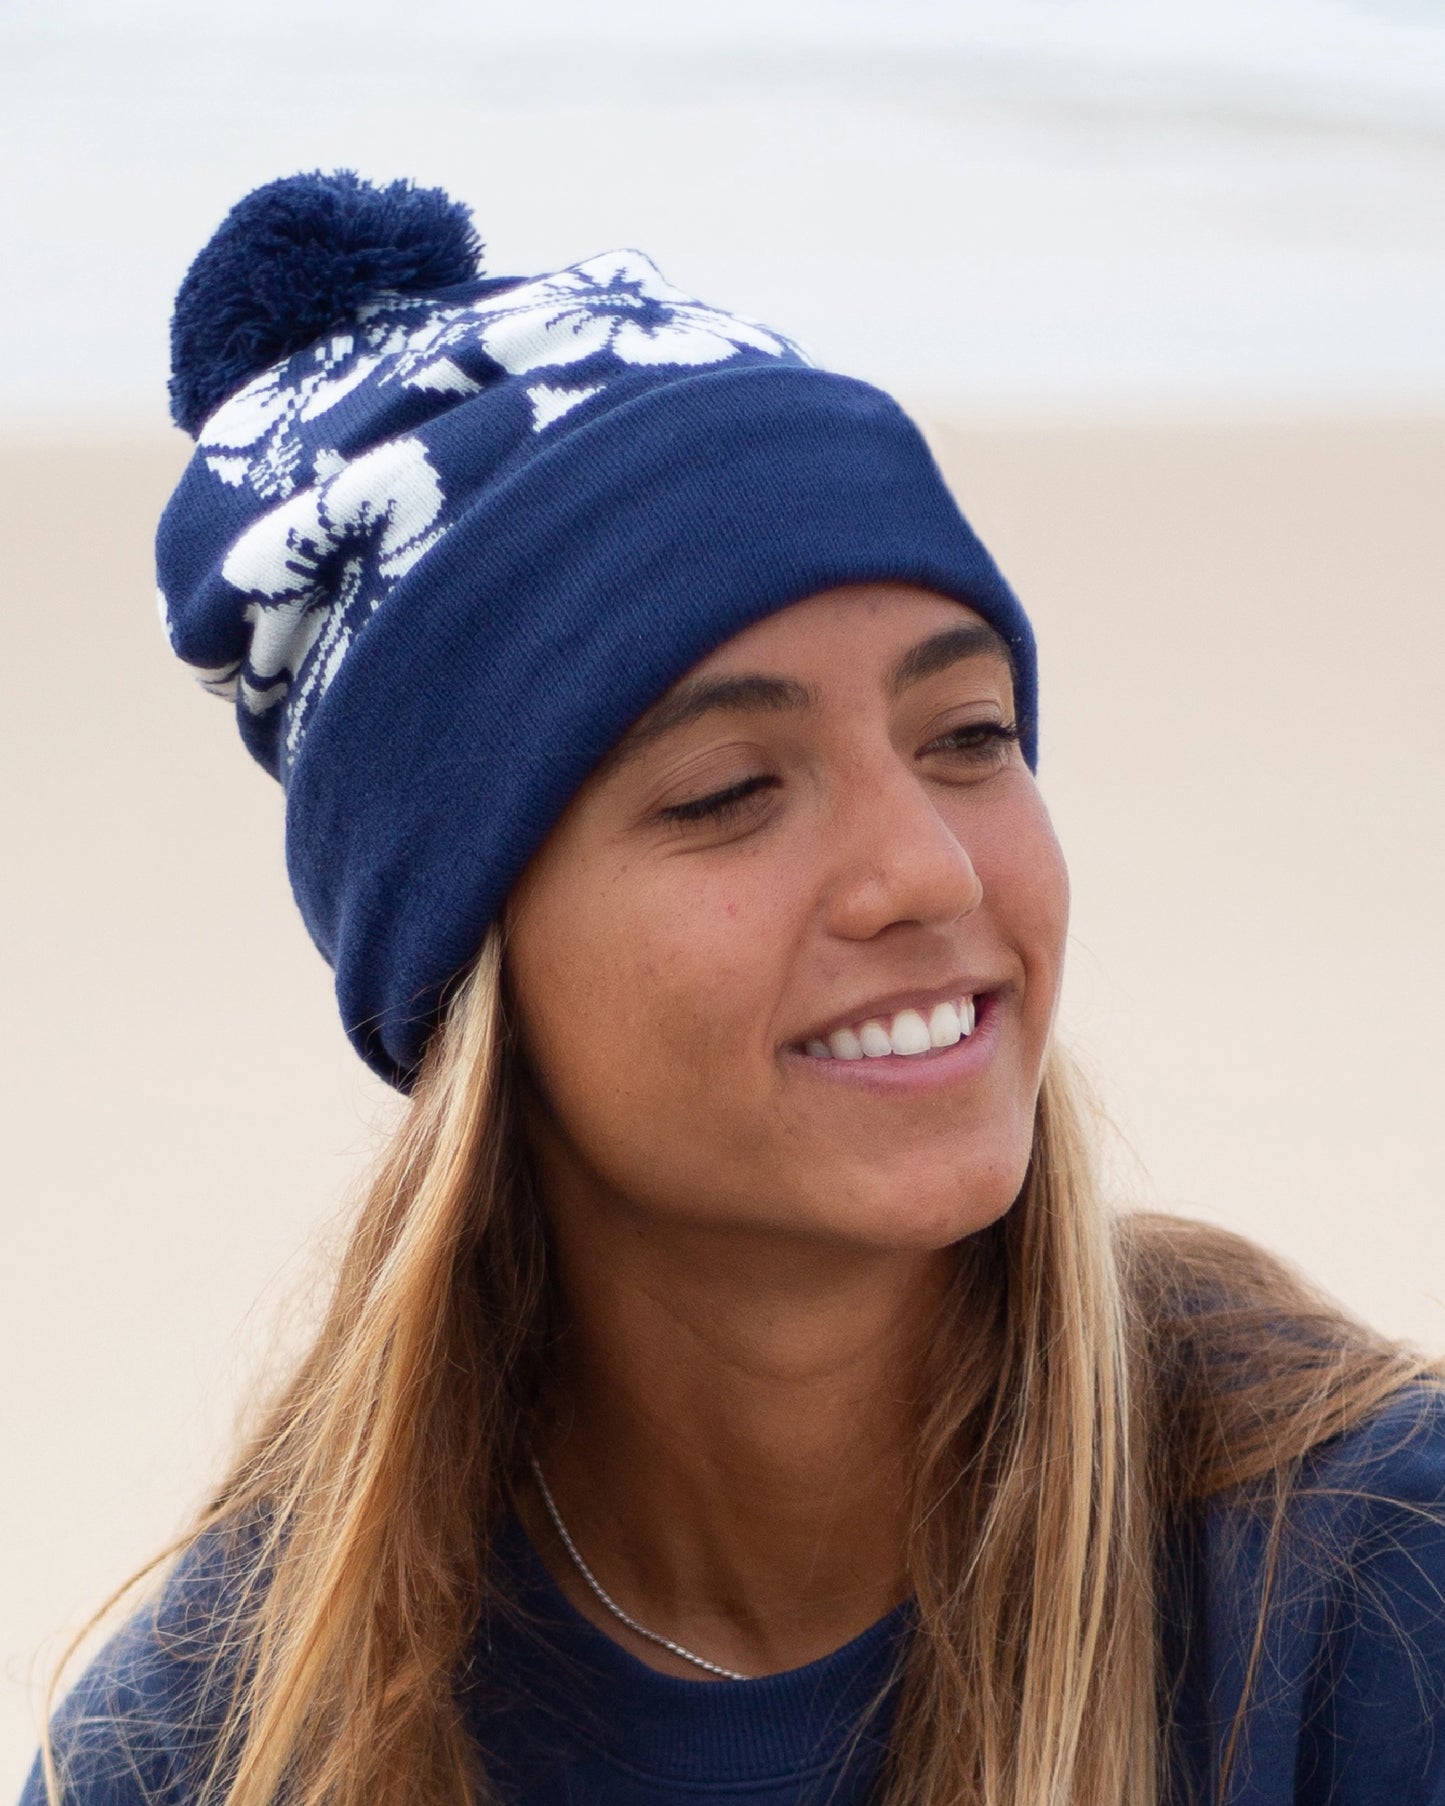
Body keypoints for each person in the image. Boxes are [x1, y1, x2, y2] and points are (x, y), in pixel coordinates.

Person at [22, 170, 1445, 1806]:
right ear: (468, 963)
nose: (927, 870)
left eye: (967, 736)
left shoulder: (1357, 1588)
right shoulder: (224, 1738)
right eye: (724, 791)